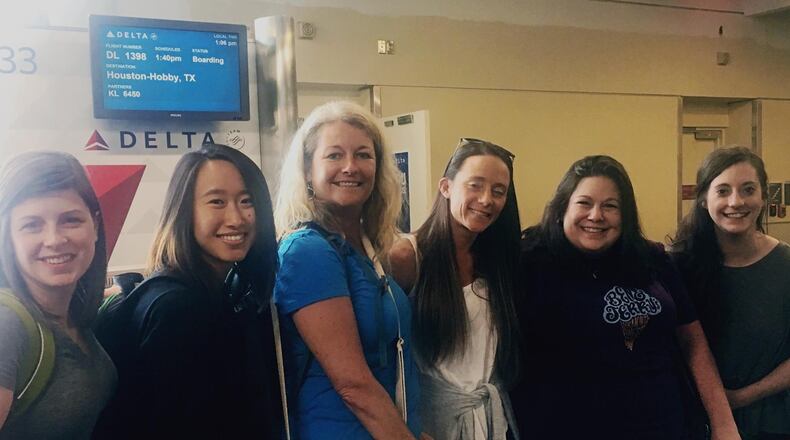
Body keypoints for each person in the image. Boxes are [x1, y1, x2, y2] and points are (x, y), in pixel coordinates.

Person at [513, 155, 740, 440]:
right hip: (566, 427)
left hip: (664, 425)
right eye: (584, 203)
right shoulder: (529, 262)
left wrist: (723, 423)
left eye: (610, 206)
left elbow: (692, 341)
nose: (596, 216)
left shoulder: (651, 258)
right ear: (562, 209)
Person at [92, 144, 282, 438]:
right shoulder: (178, 309)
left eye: (247, 201)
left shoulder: (215, 293)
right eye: (217, 202)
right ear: (184, 211)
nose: (236, 217)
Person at [273, 101, 422, 439]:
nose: (350, 167)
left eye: (363, 155)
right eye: (334, 155)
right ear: (308, 170)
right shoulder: (307, 251)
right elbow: (353, 385)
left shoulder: (366, 247)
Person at [389, 138, 521, 439]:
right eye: (475, 185)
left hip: (488, 420)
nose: (487, 199)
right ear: (446, 187)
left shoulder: (498, 261)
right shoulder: (408, 256)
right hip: (429, 423)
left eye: (498, 191)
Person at [670, 146, 790, 440]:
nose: (736, 201)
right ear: (703, 199)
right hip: (694, 419)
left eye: (748, 189)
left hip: (773, 420)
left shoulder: (786, 264)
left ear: (764, 196)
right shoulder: (678, 265)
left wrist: (742, 397)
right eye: (722, 190)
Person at [0, 151, 116, 439]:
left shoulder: (74, 310)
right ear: (8, 237)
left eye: (71, 220)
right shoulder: (7, 324)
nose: (54, 240)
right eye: (32, 225)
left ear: (96, 226)